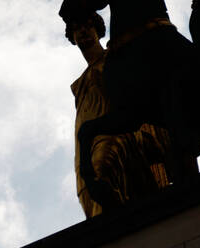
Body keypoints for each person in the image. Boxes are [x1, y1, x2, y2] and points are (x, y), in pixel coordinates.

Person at [67, 12, 175, 217]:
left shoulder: (115, 58)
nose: (83, 32)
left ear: (97, 30)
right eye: (76, 29)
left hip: (120, 134)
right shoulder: (80, 84)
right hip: (86, 147)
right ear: (72, 37)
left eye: (88, 26)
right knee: (91, 192)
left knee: (101, 170)